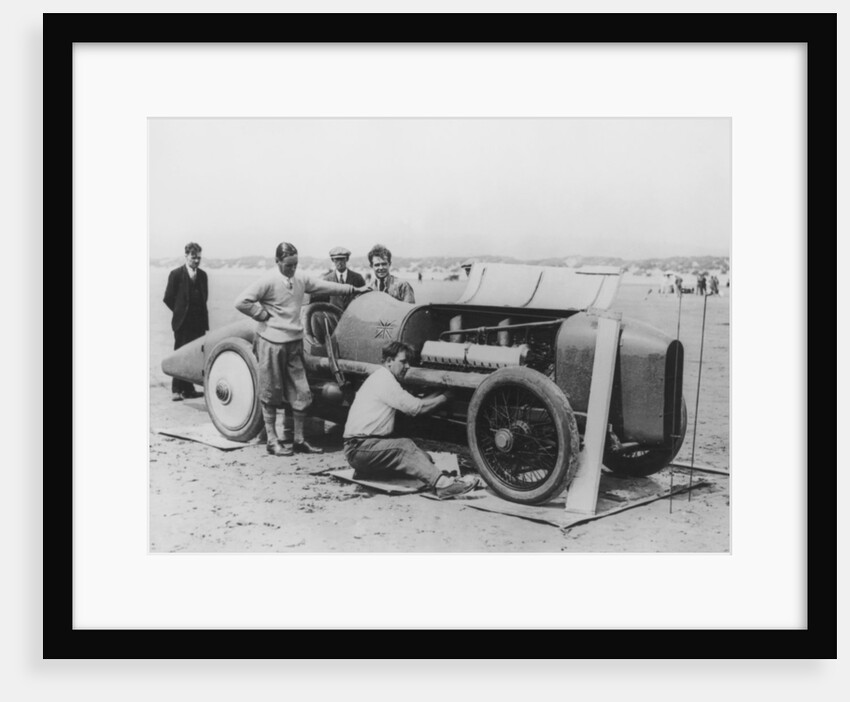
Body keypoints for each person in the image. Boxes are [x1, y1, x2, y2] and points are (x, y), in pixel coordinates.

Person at [235, 242, 370, 456]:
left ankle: (299, 440)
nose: (292, 269)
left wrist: (354, 289)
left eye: (295, 264)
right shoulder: (268, 280)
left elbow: (325, 286)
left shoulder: (300, 278)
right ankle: (272, 440)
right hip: (271, 342)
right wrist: (261, 315)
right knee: (270, 391)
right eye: (288, 265)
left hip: (294, 342)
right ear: (277, 261)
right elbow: (242, 301)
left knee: (302, 391)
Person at [343, 341, 476, 499]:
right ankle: (443, 486)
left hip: (364, 447)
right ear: (389, 361)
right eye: (403, 361)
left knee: (423, 459)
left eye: (408, 362)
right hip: (359, 447)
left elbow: (417, 403)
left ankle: (368, 472)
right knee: (404, 447)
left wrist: (440, 393)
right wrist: (446, 396)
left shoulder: (382, 377)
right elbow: (418, 408)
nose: (407, 366)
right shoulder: (385, 381)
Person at [163, 242, 209, 401]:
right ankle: (176, 390)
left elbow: (204, 298)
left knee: (194, 355)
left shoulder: (203, 275)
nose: (196, 261)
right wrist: (179, 312)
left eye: (199, 258)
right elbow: (168, 298)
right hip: (182, 323)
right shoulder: (175, 274)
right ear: (186, 256)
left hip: (198, 323)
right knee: (180, 354)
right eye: (193, 257)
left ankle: (188, 389)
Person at [311, 246, 366, 311]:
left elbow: (364, 300)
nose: (339, 262)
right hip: (333, 318)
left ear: (347, 259)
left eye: (342, 259)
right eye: (337, 259)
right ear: (332, 260)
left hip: (353, 317)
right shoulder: (327, 280)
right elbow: (324, 303)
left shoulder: (358, 278)